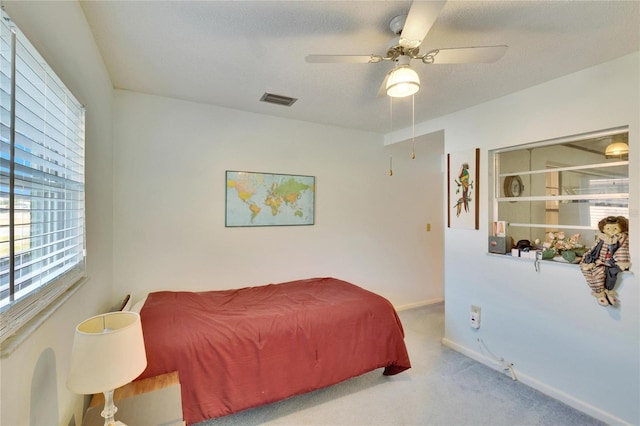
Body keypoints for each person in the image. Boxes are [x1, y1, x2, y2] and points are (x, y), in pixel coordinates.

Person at [579, 216, 631, 306]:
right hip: (600, 260)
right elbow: (593, 248)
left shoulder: (622, 238)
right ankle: (600, 294)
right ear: (603, 229)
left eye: (615, 228)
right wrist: (589, 258)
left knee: (611, 274)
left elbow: (622, 249)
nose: (611, 231)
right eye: (608, 228)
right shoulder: (601, 238)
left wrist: (621, 262)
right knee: (596, 273)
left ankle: (608, 291)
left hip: (612, 260)